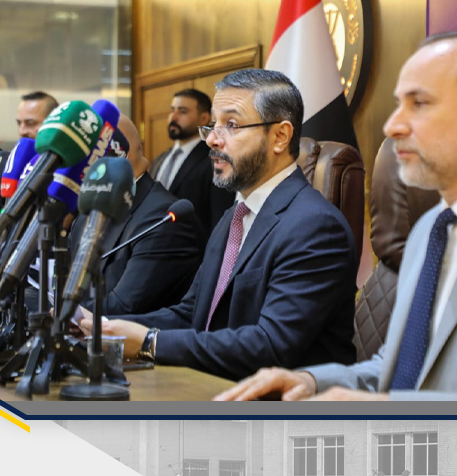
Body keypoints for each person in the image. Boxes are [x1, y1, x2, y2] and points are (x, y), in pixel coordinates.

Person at [214, 32, 457, 401]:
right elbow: (400, 369)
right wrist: (311, 380)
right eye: (399, 104)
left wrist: (393, 408)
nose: (392, 125)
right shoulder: (430, 228)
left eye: (420, 104)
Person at [79, 69, 358, 381]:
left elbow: (270, 346)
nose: (212, 139)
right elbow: (192, 314)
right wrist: (103, 325)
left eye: (232, 125)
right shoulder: (235, 215)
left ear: (280, 136)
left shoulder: (315, 227)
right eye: (213, 125)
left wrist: (149, 343)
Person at [69, 115, 206, 315]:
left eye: (83, 158)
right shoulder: (87, 213)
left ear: (115, 153)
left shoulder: (164, 219)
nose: (75, 169)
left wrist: (61, 311)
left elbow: (123, 307)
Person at [150, 89, 235, 236]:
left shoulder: (216, 160)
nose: (174, 117)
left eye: (182, 112)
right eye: (172, 110)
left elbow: (219, 217)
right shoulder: (159, 160)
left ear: (204, 118)